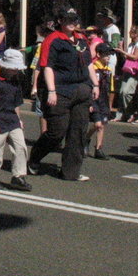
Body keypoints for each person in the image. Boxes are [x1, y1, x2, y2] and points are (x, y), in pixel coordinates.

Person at [28, 10, 99, 181]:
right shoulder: (52, 40)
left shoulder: (81, 39)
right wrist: (51, 90)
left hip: (81, 90)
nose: (72, 23)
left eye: (74, 20)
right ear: (60, 21)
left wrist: (95, 84)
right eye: (67, 20)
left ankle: (71, 172)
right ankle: (34, 159)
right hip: (60, 91)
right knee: (57, 132)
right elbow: (47, 66)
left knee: (78, 132)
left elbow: (88, 63)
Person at [0, 49, 32, 191]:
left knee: (20, 147)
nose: (15, 71)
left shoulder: (16, 82)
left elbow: (17, 104)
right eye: (13, 68)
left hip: (12, 119)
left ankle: (18, 176)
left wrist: (19, 119)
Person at [87, 42, 113, 160]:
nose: (108, 57)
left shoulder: (108, 70)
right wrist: (89, 103)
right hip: (94, 99)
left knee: (102, 124)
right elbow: (89, 86)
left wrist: (110, 106)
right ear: (98, 54)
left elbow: (110, 89)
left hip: (104, 101)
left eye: (109, 54)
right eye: (106, 54)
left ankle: (98, 148)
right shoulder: (93, 68)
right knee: (97, 124)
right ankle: (86, 138)